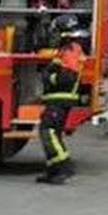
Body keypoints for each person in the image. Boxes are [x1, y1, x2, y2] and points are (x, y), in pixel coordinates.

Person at [36, 39, 86, 184]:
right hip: (59, 100)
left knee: (48, 132)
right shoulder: (71, 49)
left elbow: (68, 77)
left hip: (59, 100)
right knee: (52, 134)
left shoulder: (69, 50)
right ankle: (53, 171)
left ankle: (64, 167)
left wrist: (48, 77)